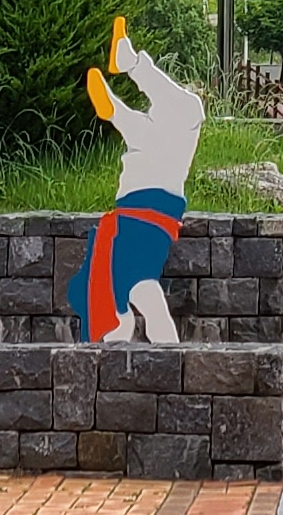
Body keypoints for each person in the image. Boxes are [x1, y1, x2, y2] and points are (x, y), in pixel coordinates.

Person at [79, 18, 208, 342]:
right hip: (151, 206)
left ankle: (125, 81)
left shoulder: (154, 133)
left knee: (147, 126)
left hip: (136, 204)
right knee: (185, 111)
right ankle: (130, 66)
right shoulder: (173, 125)